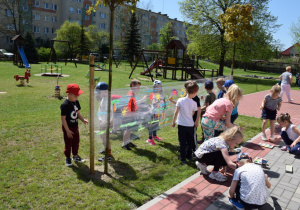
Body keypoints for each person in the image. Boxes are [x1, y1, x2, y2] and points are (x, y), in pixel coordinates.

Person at [60, 84, 88, 166]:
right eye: (75, 96)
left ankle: (75, 156)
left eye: (78, 96)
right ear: (68, 94)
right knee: (68, 144)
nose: (77, 97)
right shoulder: (65, 105)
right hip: (68, 128)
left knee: (76, 142)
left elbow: (78, 113)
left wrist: (83, 120)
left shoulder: (76, 102)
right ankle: (68, 158)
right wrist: (67, 130)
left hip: (75, 126)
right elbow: (63, 119)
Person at [172, 81, 199, 163]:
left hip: (181, 125)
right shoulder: (194, 103)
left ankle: (183, 158)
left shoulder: (180, 100)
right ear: (195, 92)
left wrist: (173, 122)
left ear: (186, 90)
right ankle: (189, 156)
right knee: (190, 141)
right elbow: (193, 113)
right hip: (190, 125)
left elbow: (176, 112)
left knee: (182, 141)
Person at [122, 79, 147, 150]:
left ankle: (127, 141)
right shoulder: (130, 95)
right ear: (132, 86)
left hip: (131, 114)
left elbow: (134, 104)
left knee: (129, 129)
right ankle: (124, 144)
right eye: (137, 87)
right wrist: (142, 100)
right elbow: (131, 104)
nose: (138, 89)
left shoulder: (133, 94)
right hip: (128, 115)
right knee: (127, 129)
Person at [95, 82, 113, 161]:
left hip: (106, 122)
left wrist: (106, 121)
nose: (98, 94)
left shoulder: (107, 100)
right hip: (103, 121)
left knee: (105, 138)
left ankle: (108, 155)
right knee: (102, 136)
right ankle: (106, 150)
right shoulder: (104, 98)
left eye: (99, 92)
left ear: (105, 91)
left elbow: (111, 112)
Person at [147, 80, 165, 145]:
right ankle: (149, 138)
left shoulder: (161, 94)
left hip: (159, 112)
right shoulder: (153, 94)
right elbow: (153, 102)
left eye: (159, 87)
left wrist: (163, 107)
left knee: (156, 125)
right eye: (157, 87)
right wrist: (157, 100)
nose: (158, 88)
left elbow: (163, 102)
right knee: (152, 125)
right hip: (154, 112)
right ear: (154, 87)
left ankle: (154, 136)